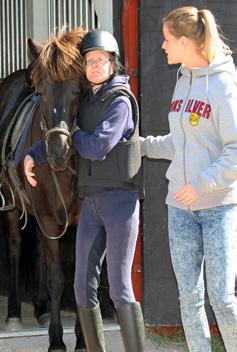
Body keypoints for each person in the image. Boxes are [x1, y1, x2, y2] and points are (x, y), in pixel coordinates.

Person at [24, 29, 145, 352]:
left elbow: (97, 146)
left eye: (100, 61)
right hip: (92, 202)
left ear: (112, 64)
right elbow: (57, 131)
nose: (94, 66)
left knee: (119, 288)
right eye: (89, 61)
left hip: (119, 201)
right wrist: (31, 155)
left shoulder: (119, 102)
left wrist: (72, 133)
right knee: (81, 286)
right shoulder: (87, 99)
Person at [140, 6, 237, 352]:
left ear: (184, 41)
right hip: (179, 210)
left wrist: (201, 184)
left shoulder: (224, 84)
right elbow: (179, 143)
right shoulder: (182, 80)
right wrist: (141, 146)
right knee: (190, 299)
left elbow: (235, 151)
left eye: (167, 40)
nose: (163, 46)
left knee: (223, 300)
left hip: (217, 209)